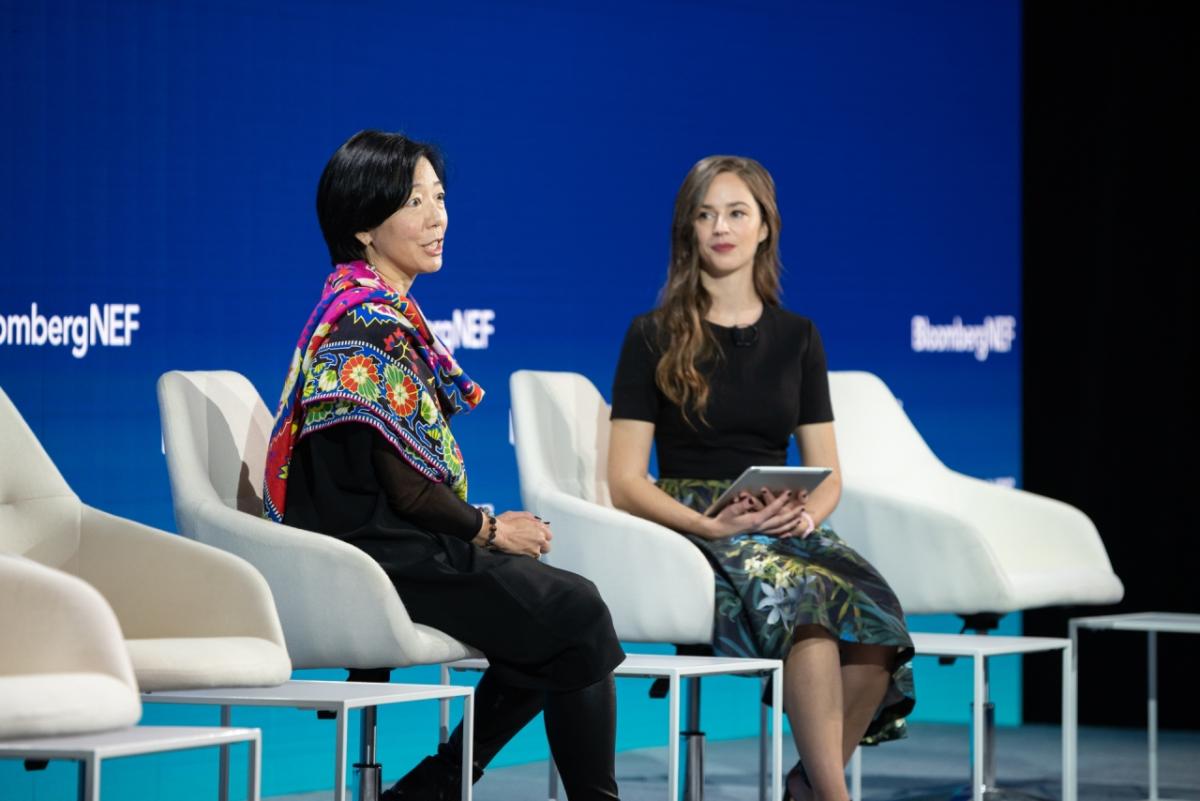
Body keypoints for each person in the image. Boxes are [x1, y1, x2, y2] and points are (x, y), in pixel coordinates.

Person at [264, 130, 624, 801]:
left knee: (556, 619)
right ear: (364, 226)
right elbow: (402, 485)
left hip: (388, 541)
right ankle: (447, 784)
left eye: (439, 197)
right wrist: (489, 530)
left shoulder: (365, 308)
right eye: (414, 202)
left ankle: (436, 785)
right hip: (372, 554)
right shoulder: (365, 327)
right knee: (574, 611)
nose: (438, 218)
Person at [608, 155, 914, 801]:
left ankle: (806, 782)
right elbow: (625, 479)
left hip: (784, 517)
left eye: (737, 212)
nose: (721, 226)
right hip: (694, 517)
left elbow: (828, 470)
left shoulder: (799, 336)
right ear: (688, 230)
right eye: (705, 213)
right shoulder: (651, 335)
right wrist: (708, 524)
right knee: (806, 599)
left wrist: (807, 515)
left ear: (764, 227)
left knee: (877, 612)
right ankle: (833, 795)